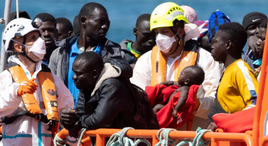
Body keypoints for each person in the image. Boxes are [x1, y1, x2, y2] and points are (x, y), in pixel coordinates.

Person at [0, 18, 74, 146]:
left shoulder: (52, 80)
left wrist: (72, 127)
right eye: (32, 38)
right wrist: (16, 92)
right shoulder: (6, 78)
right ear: (18, 46)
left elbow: (67, 109)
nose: (39, 42)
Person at [131, 2, 222, 130]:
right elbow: (138, 99)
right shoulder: (145, 60)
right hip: (154, 138)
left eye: (164, 31)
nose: (159, 37)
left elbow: (215, 103)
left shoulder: (205, 59)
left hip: (191, 141)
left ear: (180, 32)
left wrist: (194, 104)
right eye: (156, 32)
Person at [49, 2, 126, 107]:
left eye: (107, 23)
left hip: (95, 119)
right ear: (83, 21)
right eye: (100, 22)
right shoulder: (60, 53)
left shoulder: (115, 54)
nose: (105, 27)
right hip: (63, 118)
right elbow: (50, 88)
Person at [207, 22, 259, 131]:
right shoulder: (228, 70)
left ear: (228, 45)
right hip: (231, 138)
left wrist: (227, 122)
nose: (211, 46)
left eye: (215, 42)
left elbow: (256, 104)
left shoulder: (241, 69)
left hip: (243, 140)